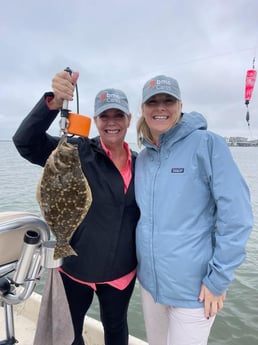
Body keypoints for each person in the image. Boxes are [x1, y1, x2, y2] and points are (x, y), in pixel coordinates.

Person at [12, 70, 140, 345]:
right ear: (95, 121)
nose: (112, 123)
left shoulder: (143, 165)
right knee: (69, 332)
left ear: (129, 119)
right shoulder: (73, 150)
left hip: (121, 271)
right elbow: (25, 142)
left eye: (118, 116)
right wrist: (53, 103)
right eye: (104, 116)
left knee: (116, 329)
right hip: (74, 266)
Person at [135, 75, 253, 345]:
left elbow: (237, 217)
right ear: (143, 109)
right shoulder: (143, 158)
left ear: (180, 105)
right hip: (151, 287)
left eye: (168, 100)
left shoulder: (208, 144)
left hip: (195, 291)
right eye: (152, 101)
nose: (160, 107)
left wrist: (218, 279)